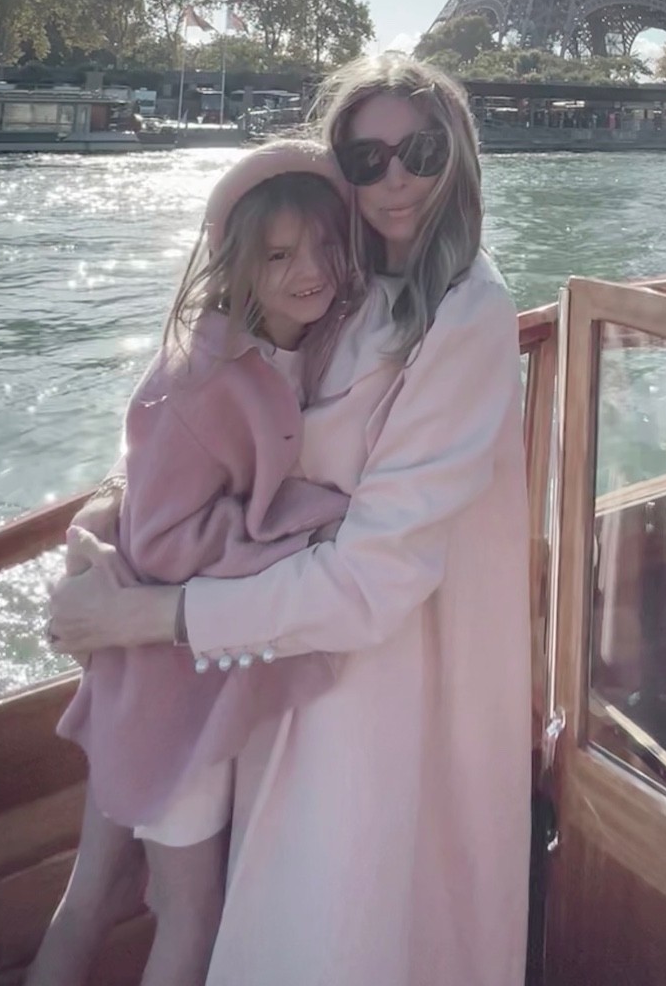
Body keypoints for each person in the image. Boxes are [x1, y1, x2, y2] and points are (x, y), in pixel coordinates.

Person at [47, 53, 531, 986]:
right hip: (275, 656)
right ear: (336, 171)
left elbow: (370, 582)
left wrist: (144, 617)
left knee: (336, 923)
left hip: (373, 675)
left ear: (460, 155)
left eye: (421, 151)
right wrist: (107, 520)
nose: (395, 179)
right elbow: (207, 425)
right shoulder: (340, 287)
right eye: (367, 158)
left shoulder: (465, 316)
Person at [30, 145, 358, 986]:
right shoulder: (204, 381)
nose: (311, 272)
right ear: (240, 262)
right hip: (173, 693)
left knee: (93, 893)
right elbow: (167, 540)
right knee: (189, 914)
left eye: (324, 246)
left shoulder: (277, 349)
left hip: (143, 681)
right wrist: (304, 521)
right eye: (280, 255)